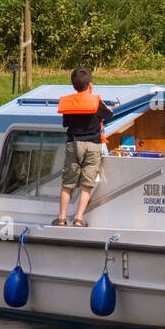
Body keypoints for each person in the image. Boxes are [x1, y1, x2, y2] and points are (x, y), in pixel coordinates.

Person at [53, 67, 114, 227]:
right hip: (93, 145)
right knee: (86, 185)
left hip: (74, 145)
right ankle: (79, 219)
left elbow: (66, 123)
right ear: (91, 85)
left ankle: (61, 218)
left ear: (74, 86)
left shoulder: (69, 103)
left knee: (67, 184)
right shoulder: (96, 102)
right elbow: (109, 115)